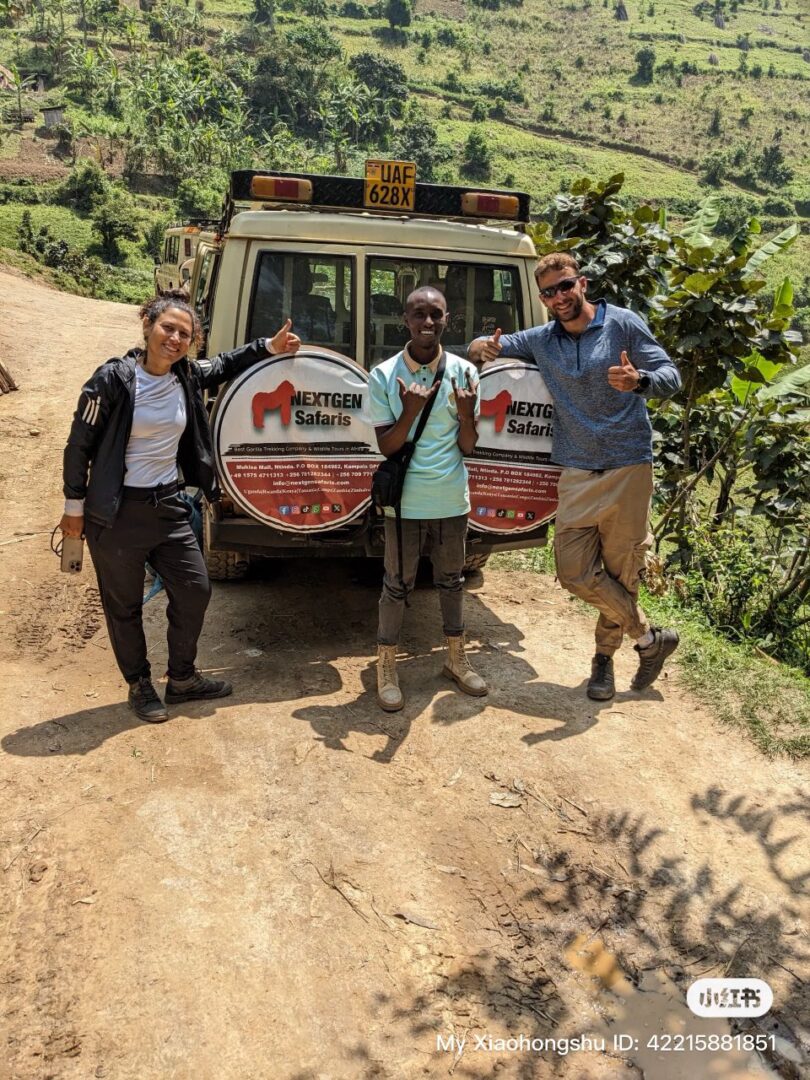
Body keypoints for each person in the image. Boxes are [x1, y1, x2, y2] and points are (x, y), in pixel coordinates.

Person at [60, 292, 300, 722]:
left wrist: (268, 347)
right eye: (167, 327)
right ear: (148, 324)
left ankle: (183, 678)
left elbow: (224, 365)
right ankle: (139, 684)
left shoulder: (185, 375)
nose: (174, 338)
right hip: (116, 514)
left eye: (184, 334)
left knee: (195, 590)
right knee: (125, 606)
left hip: (168, 506)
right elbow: (79, 444)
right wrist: (73, 506)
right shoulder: (112, 379)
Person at [469, 253, 682, 701]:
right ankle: (649, 639)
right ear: (542, 299)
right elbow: (486, 346)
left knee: (622, 572)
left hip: (627, 466)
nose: (559, 297)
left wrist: (639, 380)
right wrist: (480, 348)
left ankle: (603, 661)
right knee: (573, 573)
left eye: (565, 286)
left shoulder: (622, 323)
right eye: (549, 292)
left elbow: (671, 376)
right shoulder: (543, 339)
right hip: (577, 471)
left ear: (581, 283)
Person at [369, 286, 486, 712]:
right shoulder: (384, 375)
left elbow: (469, 447)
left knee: (452, 582)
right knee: (396, 586)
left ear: (447, 319)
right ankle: (386, 667)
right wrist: (409, 412)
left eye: (435, 315)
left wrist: (469, 414)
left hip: (452, 500)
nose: (427, 323)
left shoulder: (464, 373)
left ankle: (456, 659)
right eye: (419, 314)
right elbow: (387, 447)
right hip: (404, 504)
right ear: (406, 319)